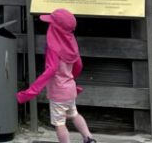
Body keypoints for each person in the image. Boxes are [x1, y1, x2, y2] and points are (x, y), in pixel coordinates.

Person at [16, 8, 96, 143]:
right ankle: (89, 138)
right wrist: (71, 79)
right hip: (70, 89)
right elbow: (79, 65)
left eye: (51, 24)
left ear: (56, 29)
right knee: (74, 114)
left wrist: (29, 92)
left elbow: (51, 70)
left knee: (60, 123)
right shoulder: (71, 44)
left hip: (58, 92)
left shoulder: (54, 48)